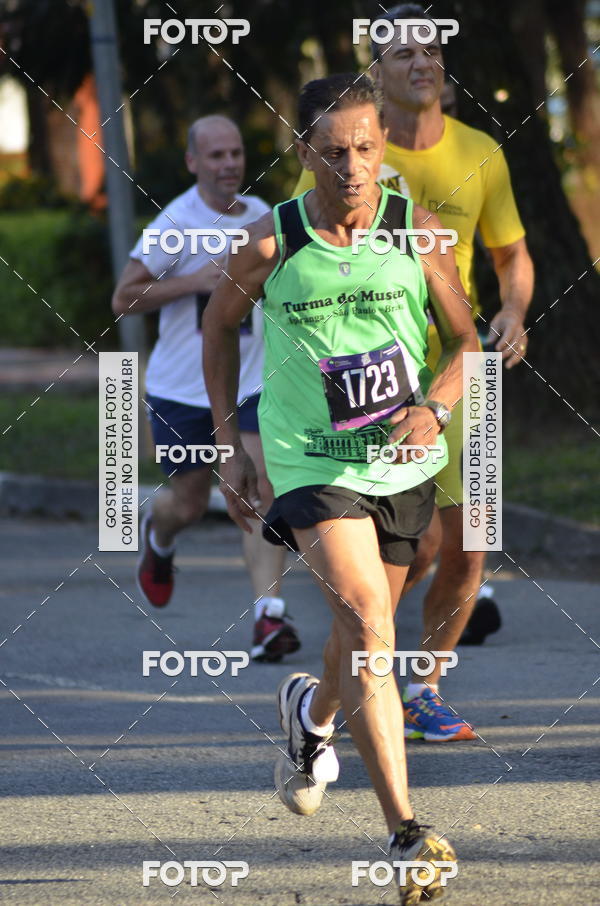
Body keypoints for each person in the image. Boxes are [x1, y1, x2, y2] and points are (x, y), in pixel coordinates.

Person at [203, 74, 476, 904]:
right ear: (304, 153)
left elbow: (469, 341)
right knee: (367, 618)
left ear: (382, 146)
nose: (351, 166)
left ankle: (310, 717)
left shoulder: (418, 237)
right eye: (333, 151)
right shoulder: (272, 240)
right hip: (308, 460)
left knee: (363, 640)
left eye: (364, 148)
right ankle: (406, 832)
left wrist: (436, 403)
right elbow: (218, 326)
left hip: (400, 463)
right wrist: (226, 437)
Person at [294, 3, 534, 740]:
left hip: (464, 371)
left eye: (430, 51)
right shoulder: (351, 147)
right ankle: (369, 659)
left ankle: (424, 684)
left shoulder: (478, 150)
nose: (423, 62)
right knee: (415, 542)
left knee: (471, 545)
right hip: (374, 372)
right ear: (378, 73)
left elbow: (510, 257)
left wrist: (516, 311)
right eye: (403, 54)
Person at [111, 115, 300, 662]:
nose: (228, 164)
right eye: (215, 156)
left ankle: (269, 617)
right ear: (193, 162)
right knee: (190, 504)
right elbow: (123, 298)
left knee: (259, 487)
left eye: (235, 153)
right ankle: (158, 533)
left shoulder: (265, 216)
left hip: (251, 384)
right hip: (181, 391)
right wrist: (197, 280)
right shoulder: (177, 221)